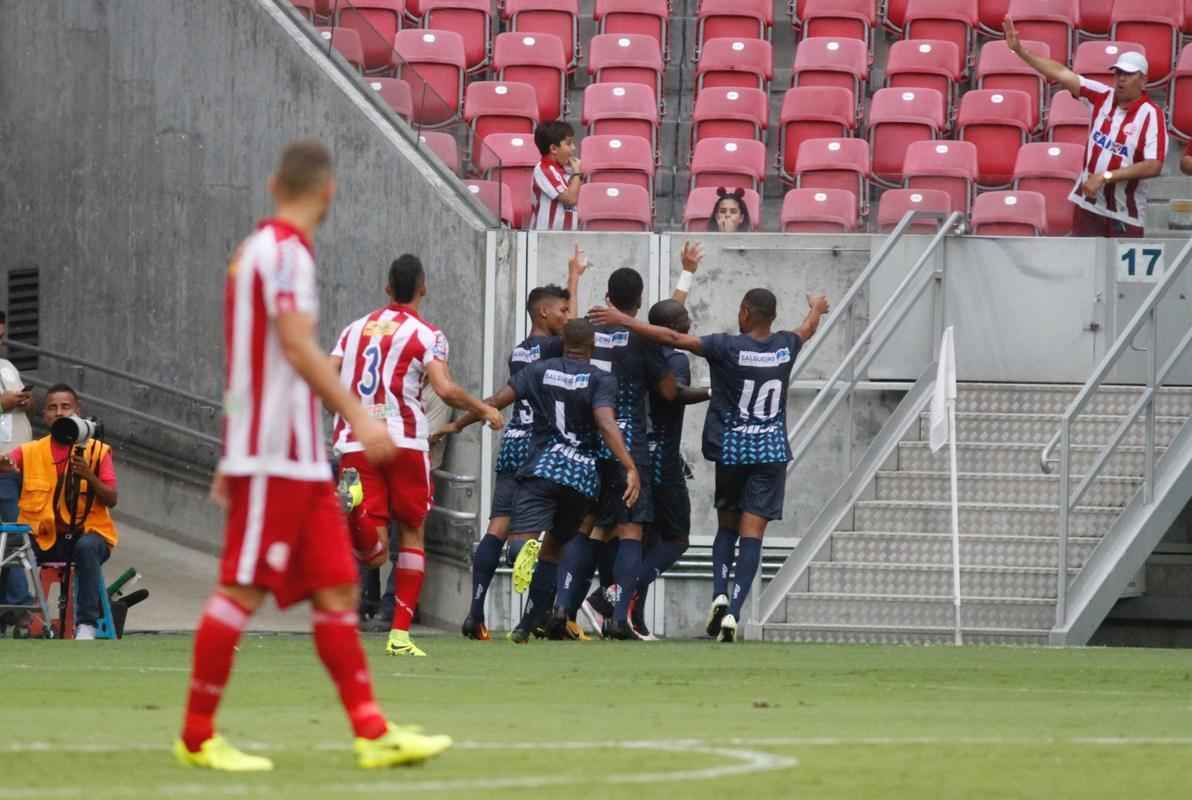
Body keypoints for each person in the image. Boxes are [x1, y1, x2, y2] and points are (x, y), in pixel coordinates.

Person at [176, 139, 452, 772]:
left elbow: (249, 358)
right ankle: (195, 737)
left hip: (295, 455)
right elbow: (297, 348)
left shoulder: (251, 253)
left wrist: (231, 441)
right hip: (275, 456)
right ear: (328, 193)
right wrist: (357, 414)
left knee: (334, 591)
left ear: (276, 182)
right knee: (240, 591)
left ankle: (371, 731)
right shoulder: (289, 254)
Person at [589, 288, 830, 643]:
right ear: (772, 316)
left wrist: (624, 319)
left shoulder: (727, 347)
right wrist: (817, 309)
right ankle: (733, 611)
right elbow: (807, 329)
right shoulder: (785, 345)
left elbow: (672, 337)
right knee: (752, 536)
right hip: (771, 452)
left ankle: (718, 589)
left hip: (733, 450)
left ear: (746, 312)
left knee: (726, 529)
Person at [330, 254, 504, 657]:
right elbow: (443, 389)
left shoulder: (353, 330)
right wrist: (484, 408)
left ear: (387, 287)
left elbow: (327, 373)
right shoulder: (427, 334)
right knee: (411, 532)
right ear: (423, 286)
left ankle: (354, 509)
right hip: (404, 441)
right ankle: (400, 636)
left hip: (357, 440)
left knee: (371, 553)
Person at [452, 318, 639, 643]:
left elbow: (495, 401)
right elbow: (607, 423)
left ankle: (524, 549)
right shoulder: (601, 379)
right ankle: (526, 625)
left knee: (521, 539)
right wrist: (630, 466)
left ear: (563, 341)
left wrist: (459, 424)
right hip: (580, 476)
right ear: (592, 348)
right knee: (554, 551)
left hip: (544, 466)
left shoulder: (539, 370)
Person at [436, 247, 587, 641]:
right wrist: (575, 279)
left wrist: (459, 424)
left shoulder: (520, 351)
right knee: (546, 537)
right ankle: (532, 595)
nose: (566, 318)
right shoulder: (556, 350)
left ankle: (475, 614)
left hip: (512, 442)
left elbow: (498, 399)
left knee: (496, 528)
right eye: (561, 311)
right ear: (544, 314)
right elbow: (580, 334)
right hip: (541, 450)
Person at [561, 266, 679, 641]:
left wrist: (574, 281)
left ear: (608, 297)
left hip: (588, 442)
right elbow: (668, 390)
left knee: (585, 524)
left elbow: (573, 331)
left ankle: (562, 610)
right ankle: (619, 619)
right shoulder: (641, 340)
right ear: (640, 301)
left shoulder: (588, 332)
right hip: (628, 440)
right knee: (631, 529)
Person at [1004, 17, 1166, 237]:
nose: (1121, 79)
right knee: (1084, 269)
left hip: (1125, 213)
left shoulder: (1152, 114)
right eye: (1118, 73)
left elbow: (1153, 165)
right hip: (1088, 205)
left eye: (1128, 74)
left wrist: (1105, 176)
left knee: (1122, 272)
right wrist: (1021, 51)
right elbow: (1061, 73)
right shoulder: (1101, 95)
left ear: (1143, 81)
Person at [0, 384, 116, 640]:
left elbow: (111, 499)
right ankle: (8, 616)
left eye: (66, 407)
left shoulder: (98, 450)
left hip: (90, 535)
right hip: (44, 537)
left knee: (86, 548)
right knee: (6, 544)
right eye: (52, 407)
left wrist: (88, 475)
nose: (59, 412)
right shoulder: (31, 450)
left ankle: (86, 626)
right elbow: (6, 463)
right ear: (45, 415)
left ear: (77, 411)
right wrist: (5, 464)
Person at [0, 311, 34, 629]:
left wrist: (23, 401)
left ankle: (15, 606)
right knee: (10, 536)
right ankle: (19, 604)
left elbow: (15, 402)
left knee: (15, 536)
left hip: (15, 465)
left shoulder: (8, 367)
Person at [531, 121, 582, 231]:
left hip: (565, 237)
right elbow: (570, 199)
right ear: (553, 149)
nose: (573, 148)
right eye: (569, 144)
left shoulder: (563, 170)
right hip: (545, 237)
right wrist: (577, 172)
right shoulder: (544, 168)